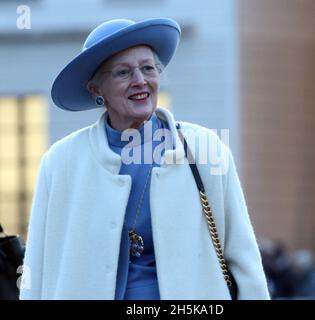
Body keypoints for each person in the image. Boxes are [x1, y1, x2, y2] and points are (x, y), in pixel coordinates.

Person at [20, 18, 269, 300]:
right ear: (96, 89)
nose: (140, 81)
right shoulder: (60, 161)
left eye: (148, 68)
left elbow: (242, 254)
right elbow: (37, 267)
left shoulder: (203, 148)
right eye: (123, 73)